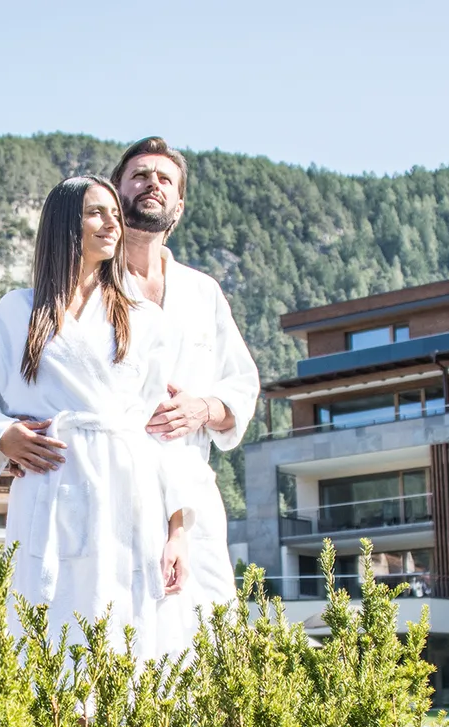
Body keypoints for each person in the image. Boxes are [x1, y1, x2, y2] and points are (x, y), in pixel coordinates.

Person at [0, 175, 199, 660]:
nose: (112, 223)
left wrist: (177, 533)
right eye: (95, 213)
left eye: (115, 214)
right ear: (66, 223)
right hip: (50, 485)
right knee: (47, 632)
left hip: (128, 490)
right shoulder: (19, 311)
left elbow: (162, 433)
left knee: (127, 635)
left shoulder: (144, 318)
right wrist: (4, 435)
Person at [111, 137, 261, 633]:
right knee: (123, 634)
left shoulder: (202, 292)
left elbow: (242, 385)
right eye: (139, 175)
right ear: (114, 193)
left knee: (209, 633)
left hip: (192, 491)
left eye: (165, 179)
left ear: (178, 205)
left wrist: (203, 408)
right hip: (117, 484)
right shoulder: (89, 287)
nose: (151, 184)